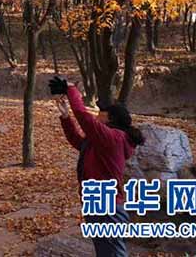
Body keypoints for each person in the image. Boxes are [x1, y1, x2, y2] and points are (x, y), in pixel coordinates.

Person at [49, 76, 145, 257]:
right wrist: (65, 116)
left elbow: (84, 117)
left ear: (110, 118)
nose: (97, 114)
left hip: (108, 208)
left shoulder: (114, 138)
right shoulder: (102, 140)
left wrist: (71, 90)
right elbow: (79, 142)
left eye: (101, 112)